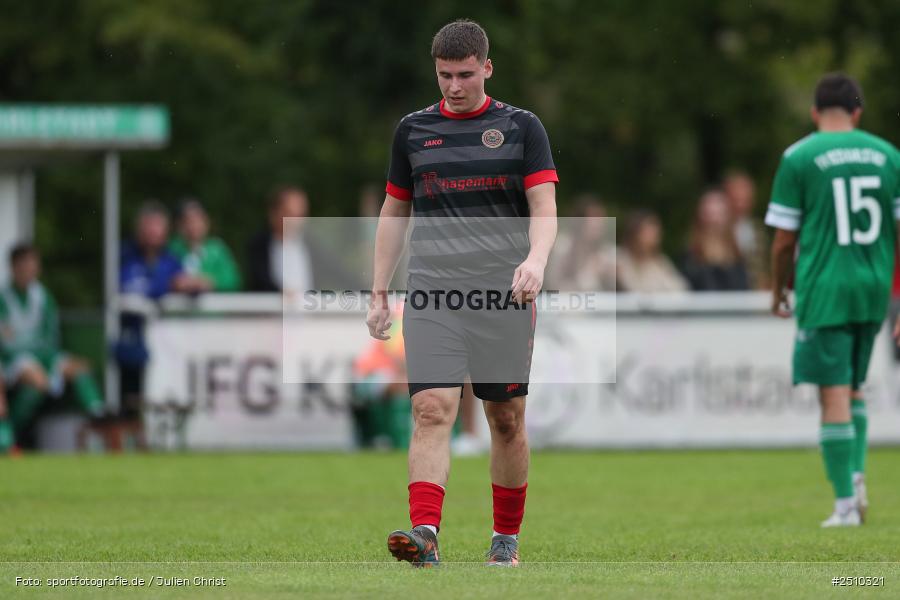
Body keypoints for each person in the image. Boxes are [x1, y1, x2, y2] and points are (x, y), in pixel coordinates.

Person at [367, 19, 558, 567]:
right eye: (445, 75)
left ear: (487, 68)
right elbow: (394, 210)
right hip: (431, 294)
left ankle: (505, 540)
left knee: (505, 419)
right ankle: (424, 534)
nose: (454, 86)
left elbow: (544, 208)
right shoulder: (412, 131)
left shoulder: (522, 128)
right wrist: (379, 290)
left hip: (504, 295)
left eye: (466, 75)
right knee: (431, 408)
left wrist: (535, 261)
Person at [766, 73, 900, 527]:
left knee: (833, 393)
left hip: (825, 286)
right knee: (855, 387)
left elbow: (785, 239)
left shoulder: (800, 156)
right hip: (873, 286)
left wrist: (778, 287)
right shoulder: (888, 155)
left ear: (814, 112)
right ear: (858, 112)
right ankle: (857, 475)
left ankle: (845, 505)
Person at [0, 244, 105, 444]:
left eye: (33, 266)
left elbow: (51, 338)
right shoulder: (3, 299)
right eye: (24, 266)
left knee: (79, 369)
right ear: (13, 268)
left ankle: (99, 417)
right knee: (34, 381)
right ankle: (11, 433)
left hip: (43, 356)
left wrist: (45, 361)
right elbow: (6, 344)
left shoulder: (43, 296)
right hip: (13, 360)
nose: (29, 271)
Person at [247, 186, 358, 294]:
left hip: (308, 310)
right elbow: (259, 282)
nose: (296, 221)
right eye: (289, 214)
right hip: (271, 311)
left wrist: (366, 288)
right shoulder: (259, 246)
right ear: (274, 213)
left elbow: (337, 273)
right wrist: (280, 293)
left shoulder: (312, 244)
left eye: (300, 215)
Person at [680, 188, 751, 291]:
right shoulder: (691, 256)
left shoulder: (737, 255)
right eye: (710, 214)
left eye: (719, 214)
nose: (714, 221)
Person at [168, 199, 242, 292]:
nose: (194, 225)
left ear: (206, 222)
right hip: (179, 306)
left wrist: (211, 282)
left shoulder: (217, 249)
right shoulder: (172, 249)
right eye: (188, 221)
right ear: (179, 225)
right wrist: (175, 282)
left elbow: (233, 280)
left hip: (214, 305)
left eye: (198, 220)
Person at [550, 195, 616, 291]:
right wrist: (588, 275)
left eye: (601, 217)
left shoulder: (606, 252)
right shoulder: (562, 248)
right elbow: (553, 288)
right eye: (594, 217)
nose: (599, 223)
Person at [616, 210, 688, 293]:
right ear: (634, 233)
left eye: (655, 231)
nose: (654, 236)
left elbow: (680, 289)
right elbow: (631, 290)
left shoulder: (661, 262)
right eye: (648, 231)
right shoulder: (619, 259)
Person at [723, 170, 769, 288]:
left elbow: (763, 266)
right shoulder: (720, 230)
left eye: (745, 199)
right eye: (736, 198)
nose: (741, 204)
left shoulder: (757, 228)